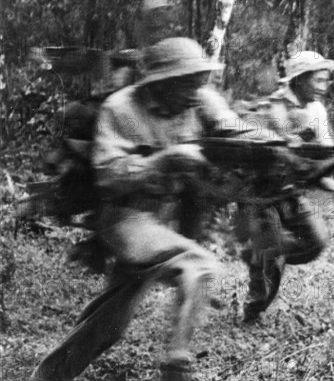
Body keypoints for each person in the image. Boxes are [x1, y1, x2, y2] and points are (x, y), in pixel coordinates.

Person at [29, 37, 237, 381]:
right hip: (124, 217)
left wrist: (265, 142)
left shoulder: (199, 100)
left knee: (110, 323)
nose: (194, 89)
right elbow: (109, 177)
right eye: (185, 80)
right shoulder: (121, 108)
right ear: (160, 81)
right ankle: (177, 365)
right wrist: (165, 159)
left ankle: (47, 377)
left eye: (199, 79)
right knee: (199, 264)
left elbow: (236, 129)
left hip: (165, 218)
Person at [236, 51, 334, 324]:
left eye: (325, 81)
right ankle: (252, 311)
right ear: (300, 80)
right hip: (260, 196)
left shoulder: (313, 110)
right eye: (318, 80)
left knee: (316, 241)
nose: (323, 87)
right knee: (270, 263)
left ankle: (257, 252)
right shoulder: (274, 110)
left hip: (290, 192)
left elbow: (323, 150)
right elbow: (268, 155)